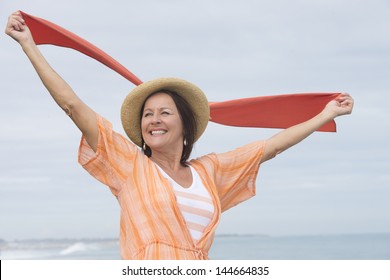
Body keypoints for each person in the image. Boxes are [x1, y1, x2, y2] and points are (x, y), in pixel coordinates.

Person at [5, 11, 354, 260]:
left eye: (165, 112)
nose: (154, 120)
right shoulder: (128, 165)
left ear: (185, 125)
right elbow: (72, 106)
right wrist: (29, 46)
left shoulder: (210, 172)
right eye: (147, 114)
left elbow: (273, 146)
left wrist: (325, 114)